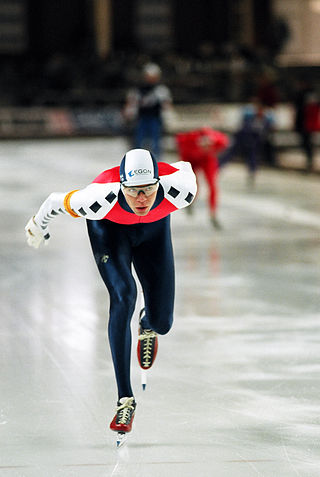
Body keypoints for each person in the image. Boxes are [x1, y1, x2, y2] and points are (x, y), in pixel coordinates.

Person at [25, 148, 197, 437]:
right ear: (121, 186)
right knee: (124, 295)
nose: (141, 199)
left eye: (148, 190)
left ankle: (147, 323)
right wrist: (37, 227)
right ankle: (124, 398)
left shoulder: (181, 190)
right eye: (133, 192)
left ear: (159, 183)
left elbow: (186, 165)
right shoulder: (97, 197)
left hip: (154, 233)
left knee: (163, 324)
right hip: (110, 230)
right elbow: (54, 202)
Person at [176, 127, 229, 229]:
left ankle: (213, 213)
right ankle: (190, 201)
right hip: (191, 160)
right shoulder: (188, 140)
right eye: (203, 146)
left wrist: (214, 150)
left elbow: (225, 142)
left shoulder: (216, 140)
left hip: (207, 160)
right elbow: (179, 141)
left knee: (212, 185)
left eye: (208, 146)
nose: (205, 147)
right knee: (194, 184)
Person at [219, 97, 275, 186]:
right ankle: (217, 167)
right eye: (258, 110)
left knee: (252, 156)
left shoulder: (268, 118)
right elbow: (241, 126)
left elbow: (269, 129)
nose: (259, 112)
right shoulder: (248, 115)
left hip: (254, 140)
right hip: (242, 138)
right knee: (230, 153)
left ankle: (252, 173)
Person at [123, 63, 172, 158]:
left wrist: (167, 113)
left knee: (156, 140)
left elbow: (167, 104)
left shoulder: (161, 90)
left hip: (155, 118)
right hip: (142, 118)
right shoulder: (138, 89)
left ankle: (157, 159)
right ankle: (136, 158)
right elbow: (131, 101)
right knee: (138, 139)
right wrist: (129, 111)